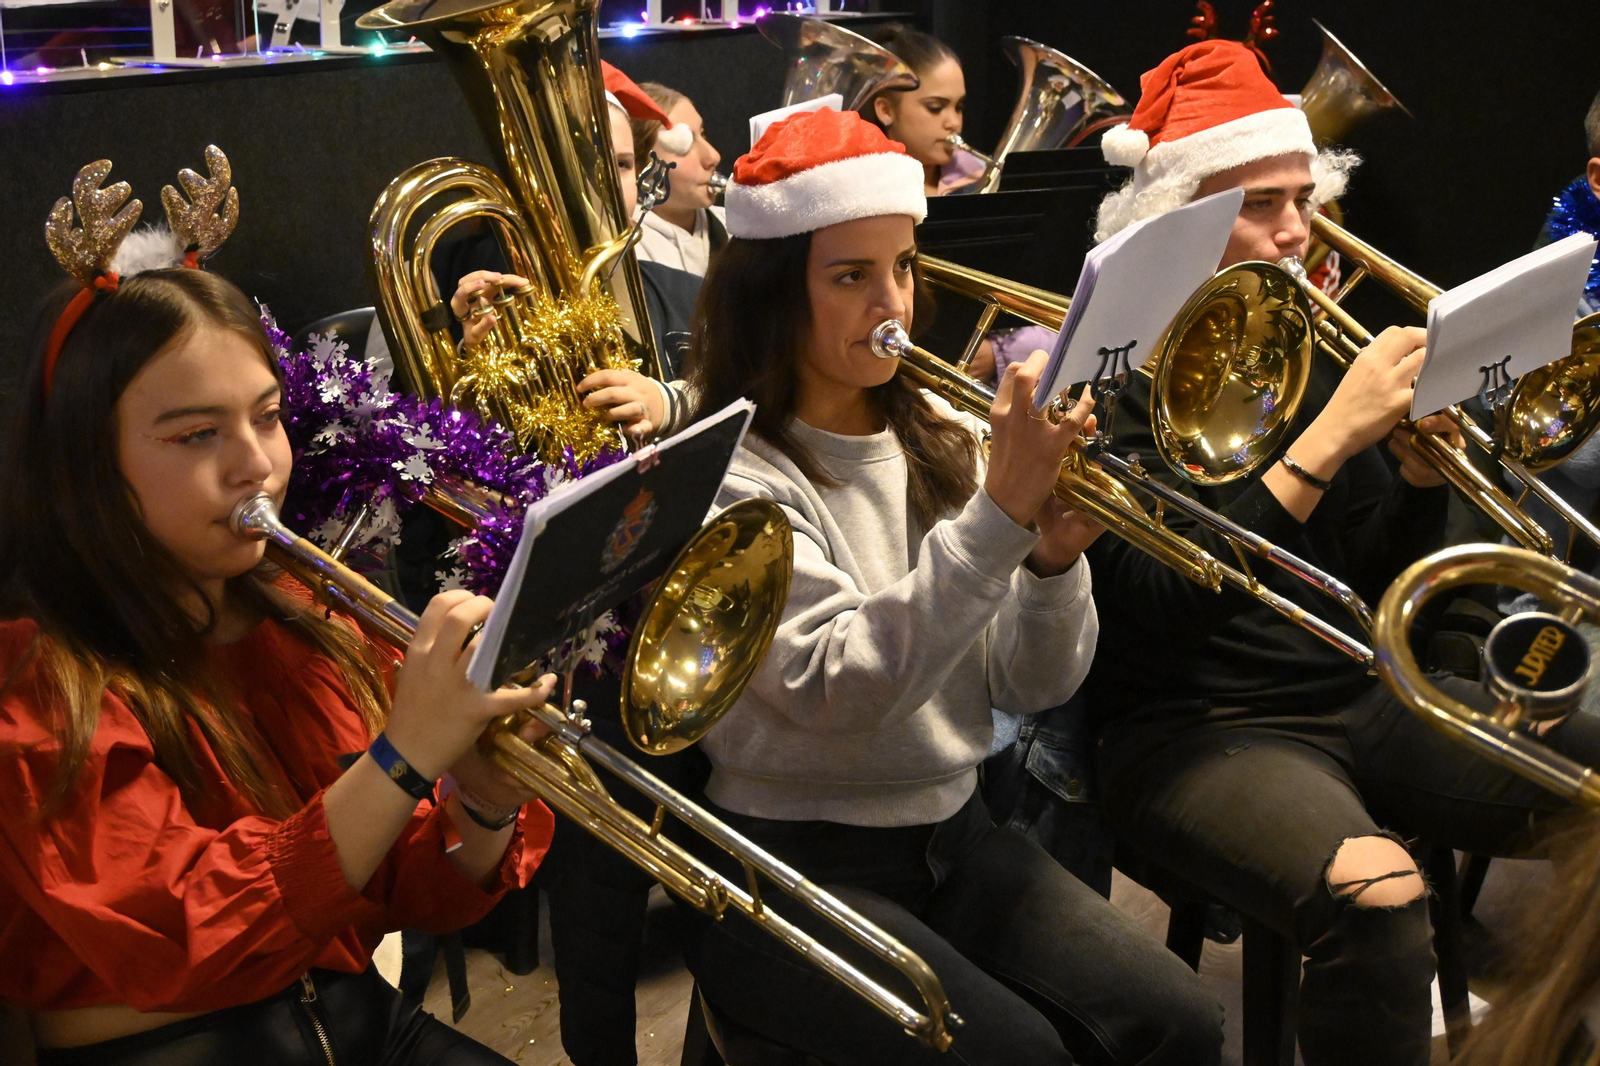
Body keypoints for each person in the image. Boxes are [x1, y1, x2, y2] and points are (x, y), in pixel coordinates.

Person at [1081, 40, 1600, 1066]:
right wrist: (1325, 443)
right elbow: (1156, 605)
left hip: (1356, 685)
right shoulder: (1107, 367)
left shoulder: (1308, 341)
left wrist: (1409, 477)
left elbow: (1362, 570)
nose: (1292, 233)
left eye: (1300, 200)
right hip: (1197, 727)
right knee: (1378, 899)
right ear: (1171, 221)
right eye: (1259, 205)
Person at [672, 102, 1224, 1066]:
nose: (894, 303)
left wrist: (1051, 564)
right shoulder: (734, 478)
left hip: (955, 831)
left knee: (1182, 1021)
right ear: (771, 294)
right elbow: (841, 692)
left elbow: (1030, 687)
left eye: (903, 267)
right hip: (792, 861)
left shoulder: (938, 427)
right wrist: (998, 520)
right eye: (851, 276)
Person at [0, 158, 559, 1063]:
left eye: (266, 417)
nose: (255, 464)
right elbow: (185, 937)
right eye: (196, 436)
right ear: (88, 467)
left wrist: (481, 803)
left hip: (359, 1021)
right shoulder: (33, 678)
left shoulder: (304, 617)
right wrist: (405, 754)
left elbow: (400, 896)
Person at [628, 82, 728, 277]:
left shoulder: (734, 227)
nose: (713, 156)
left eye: (702, 134)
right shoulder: (630, 249)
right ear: (639, 167)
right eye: (685, 145)